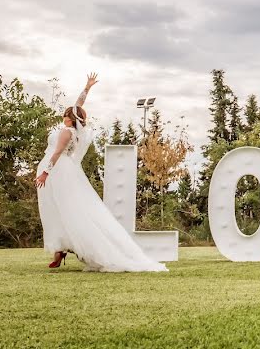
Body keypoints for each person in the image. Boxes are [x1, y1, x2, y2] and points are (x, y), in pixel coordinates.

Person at [35, 74, 167, 273]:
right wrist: (87, 87)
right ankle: (61, 248)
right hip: (61, 171)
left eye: (66, 115)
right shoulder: (76, 132)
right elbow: (78, 104)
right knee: (57, 209)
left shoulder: (66, 133)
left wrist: (45, 172)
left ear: (71, 119)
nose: (64, 116)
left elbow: (56, 153)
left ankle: (68, 247)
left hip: (57, 172)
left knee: (64, 209)